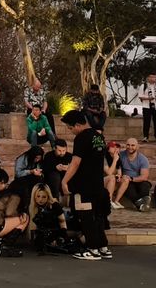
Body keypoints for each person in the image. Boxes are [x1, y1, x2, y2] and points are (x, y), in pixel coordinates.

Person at [60, 109, 112, 261]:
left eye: (70, 128)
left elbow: (76, 162)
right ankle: (103, 247)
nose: (71, 132)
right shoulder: (99, 137)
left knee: (86, 217)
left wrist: (65, 181)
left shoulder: (81, 138)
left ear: (77, 125)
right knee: (97, 217)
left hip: (83, 186)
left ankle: (92, 249)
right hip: (97, 184)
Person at [113, 138, 152, 211]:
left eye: (132, 145)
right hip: (126, 181)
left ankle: (141, 203)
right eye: (128, 145)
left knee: (145, 185)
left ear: (137, 147)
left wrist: (132, 178)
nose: (130, 147)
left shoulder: (143, 159)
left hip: (138, 180)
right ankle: (142, 205)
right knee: (129, 188)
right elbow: (116, 169)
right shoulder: (120, 155)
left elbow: (144, 176)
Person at [138, 74, 156, 142]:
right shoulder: (143, 86)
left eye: (154, 77)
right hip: (146, 106)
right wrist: (148, 98)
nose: (153, 79)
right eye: (151, 77)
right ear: (148, 78)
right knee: (146, 122)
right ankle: (146, 137)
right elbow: (140, 96)